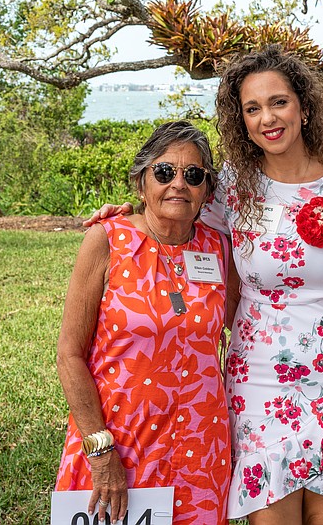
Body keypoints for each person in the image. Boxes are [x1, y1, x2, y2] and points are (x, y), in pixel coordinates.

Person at [86, 45, 323, 525]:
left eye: (278, 102)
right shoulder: (234, 186)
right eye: (252, 108)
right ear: (242, 121)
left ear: (303, 106)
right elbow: (176, 213)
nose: (267, 118)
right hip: (260, 373)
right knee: (272, 515)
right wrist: (126, 218)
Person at [55, 120, 231, 525]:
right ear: (141, 183)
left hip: (201, 450)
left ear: (207, 190)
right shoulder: (107, 240)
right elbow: (69, 355)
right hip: (119, 443)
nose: (178, 184)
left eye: (194, 175)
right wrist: (100, 451)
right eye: (164, 172)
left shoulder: (220, 248)